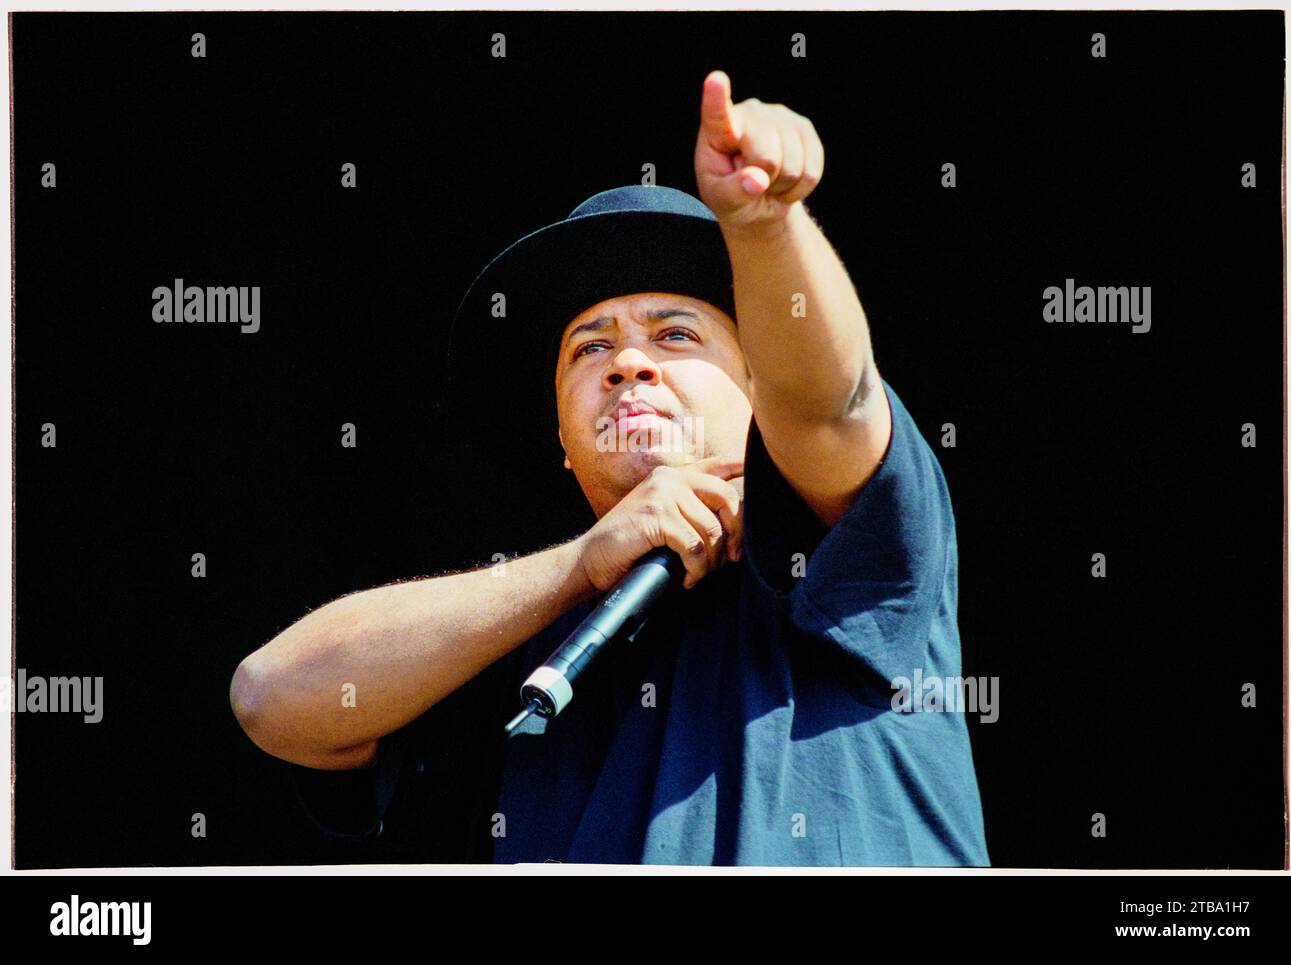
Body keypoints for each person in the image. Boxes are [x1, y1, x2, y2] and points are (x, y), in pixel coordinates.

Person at [230, 70, 990, 866]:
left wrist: (764, 226)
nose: (628, 361)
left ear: (758, 388)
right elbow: (269, 696)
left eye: (675, 335)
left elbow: (830, 404)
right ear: (563, 437)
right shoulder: (518, 642)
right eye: (590, 348)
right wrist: (577, 568)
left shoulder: (841, 537)